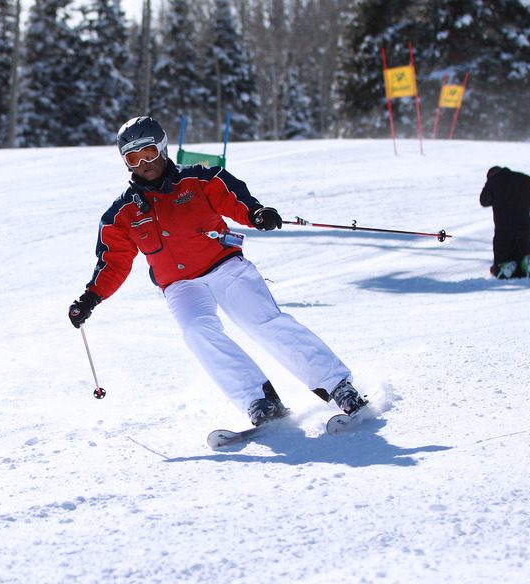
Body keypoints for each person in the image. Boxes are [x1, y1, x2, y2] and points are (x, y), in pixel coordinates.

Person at [67, 116, 365, 427]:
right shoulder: (122, 214)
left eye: (150, 153)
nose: (144, 163)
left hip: (224, 267)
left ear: (163, 149)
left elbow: (233, 198)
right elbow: (113, 262)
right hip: (180, 285)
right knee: (196, 331)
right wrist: (89, 299)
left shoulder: (199, 180)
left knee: (262, 321)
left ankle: (337, 385)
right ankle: (259, 400)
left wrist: (256, 213)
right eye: (133, 157)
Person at [480, 166, 530, 279]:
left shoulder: (494, 180)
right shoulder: (525, 178)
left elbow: (484, 201)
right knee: (523, 252)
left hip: (503, 230)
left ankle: (506, 266)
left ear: (491, 176)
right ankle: (526, 263)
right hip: (524, 228)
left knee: (502, 259)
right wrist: (523, 207)